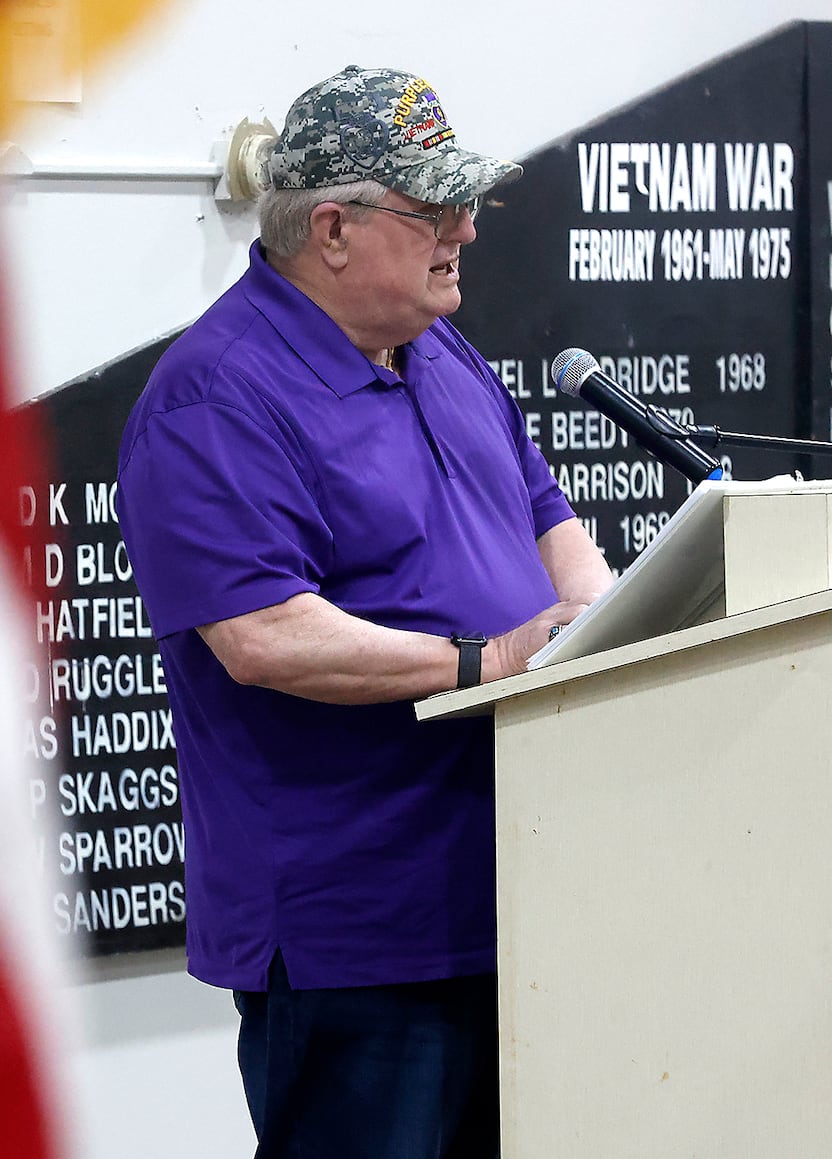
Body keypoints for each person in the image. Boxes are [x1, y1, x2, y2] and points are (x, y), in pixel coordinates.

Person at [115, 66, 615, 1158]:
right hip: (360, 939)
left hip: (523, 898)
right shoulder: (215, 397)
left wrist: (596, 617)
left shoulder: (442, 353)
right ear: (330, 229)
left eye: (465, 204)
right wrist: (489, 660)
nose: (467, 231)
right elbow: (262, 636)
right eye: (432, 210)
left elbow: (549, 518)